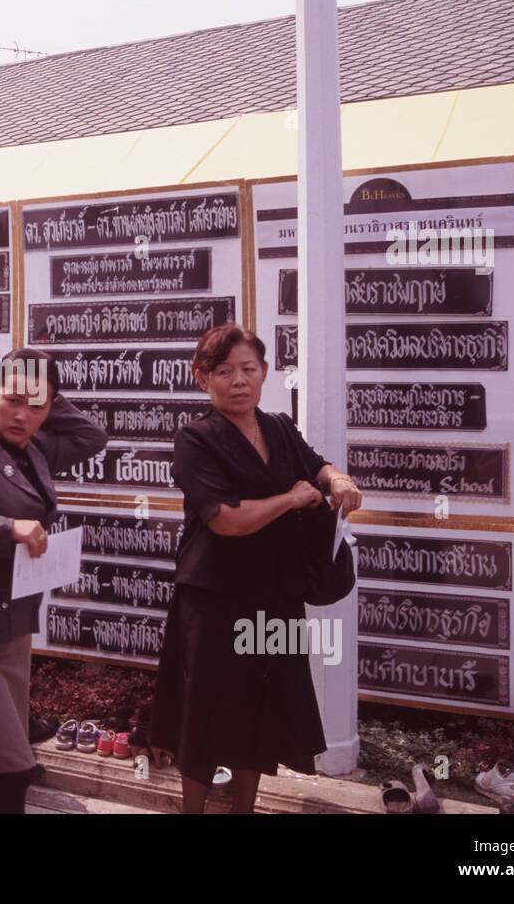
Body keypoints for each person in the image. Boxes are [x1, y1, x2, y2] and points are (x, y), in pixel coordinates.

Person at [149, 323, 362, 813]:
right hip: (213, 599)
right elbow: (225, 520)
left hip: (275, 592)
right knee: (203, 712)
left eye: (248, 369)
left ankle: (243, 807)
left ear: (265, 373)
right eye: (224, 371)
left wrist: (338, 477)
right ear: (202, 378)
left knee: (261, 709)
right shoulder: (195, 439)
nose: (238, 380)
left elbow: (317, 466)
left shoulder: (280, 427)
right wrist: (289, 499)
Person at [0, 348, 107, 812]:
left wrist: (42, 381)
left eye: (37, 406)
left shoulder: (37, 448)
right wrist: (5, 528)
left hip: (16, 622)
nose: (22, 414)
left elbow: (93, 436)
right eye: (11, 399)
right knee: (12, 761)